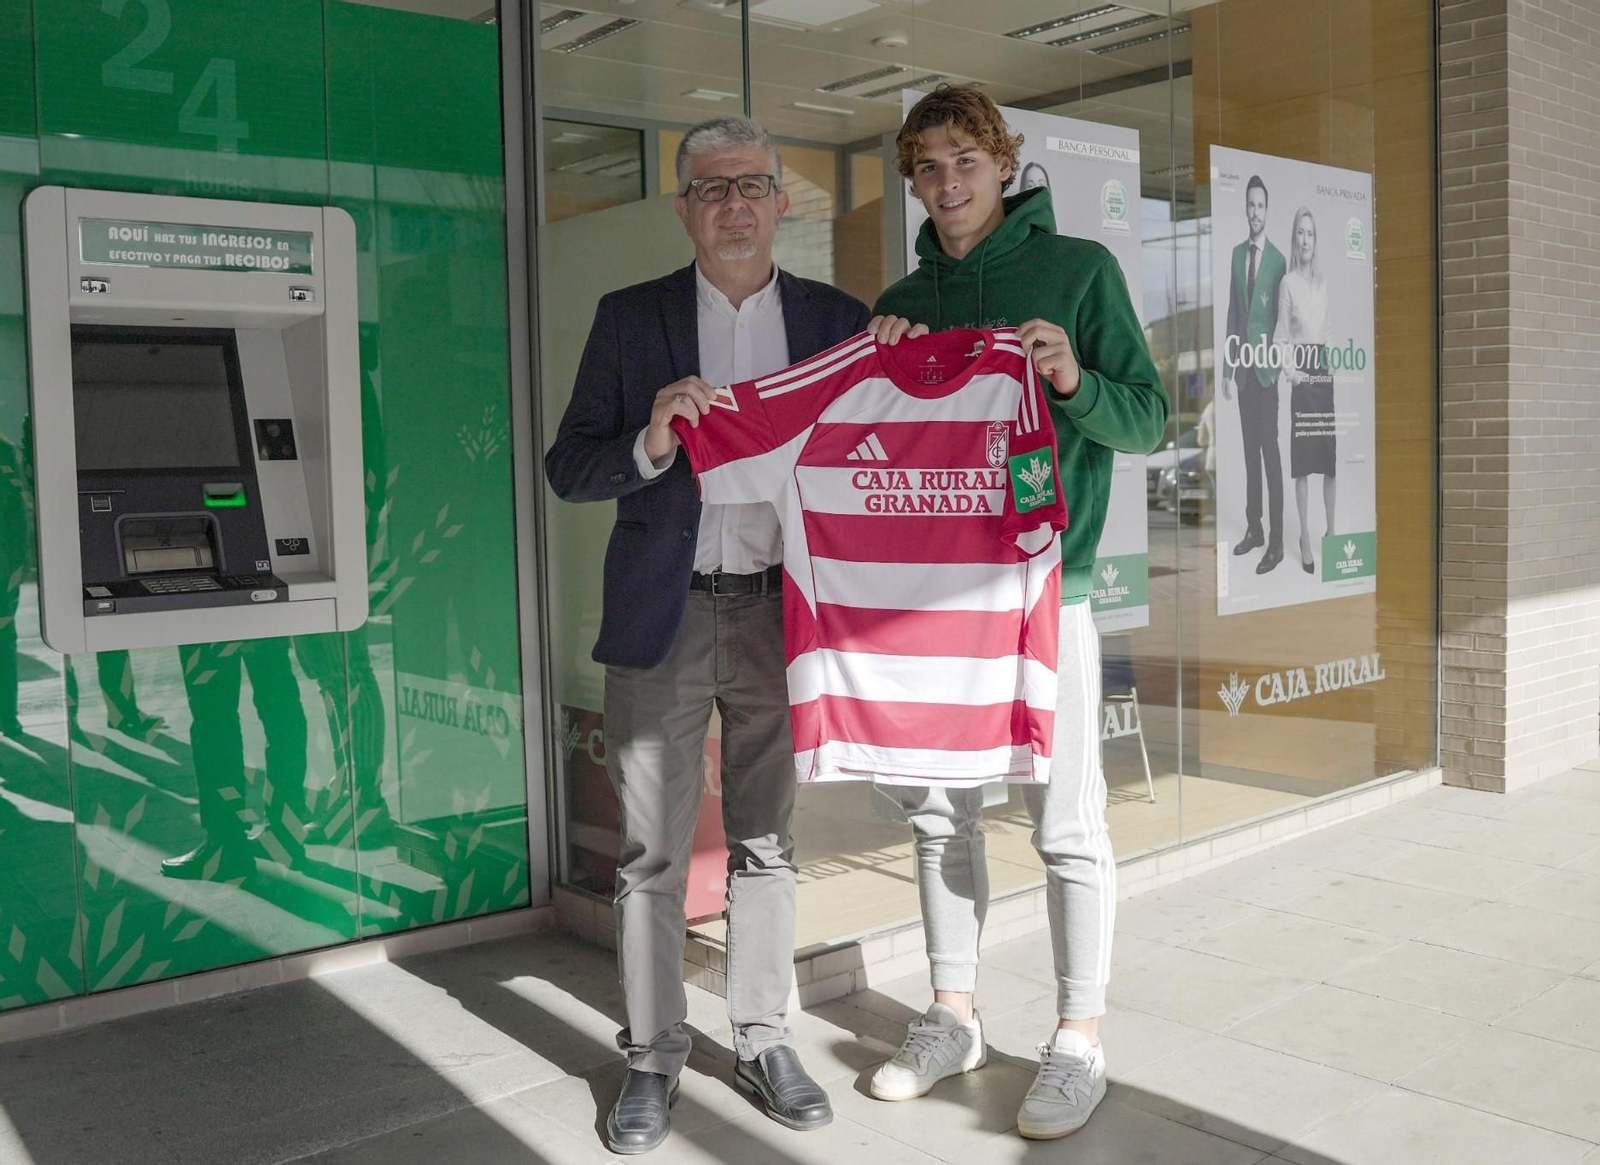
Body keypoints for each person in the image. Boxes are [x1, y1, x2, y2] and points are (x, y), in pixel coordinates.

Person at [544, 115, 870, 1155]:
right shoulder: (629, 317)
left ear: (781, 201)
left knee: (768, 841)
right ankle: (652, 1052)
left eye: (752, 185)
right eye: (713, 188)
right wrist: (648, 439)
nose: (734, 204)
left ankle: (765, 1036)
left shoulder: (838, 321)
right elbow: (568, 466)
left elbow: (882, 450)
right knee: (651, 853)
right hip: (667, 609)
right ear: (684, 207)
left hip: (785, 612)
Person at [866, 84, 1168, 1141]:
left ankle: (1078, 1036)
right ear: (913, 181)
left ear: (1005, 162)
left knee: (1066, 824)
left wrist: (1073, 377)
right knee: (937, 814)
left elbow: (1148, 417)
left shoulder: (1079, 271)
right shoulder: (900, 298)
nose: (947, 182)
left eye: (966, 159)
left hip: (1048, 588)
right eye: (927, 166)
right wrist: (882, 360)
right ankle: (952, 1016)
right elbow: (879, 448)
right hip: (931, 600)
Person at [1221, 175, 1287, 574]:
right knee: (1249, 454)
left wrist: (1276, 364)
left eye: (1260, 205)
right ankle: (1254, 528)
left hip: (1266, 374)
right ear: (1245, 208)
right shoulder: (1235, 255)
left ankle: (1277, 542)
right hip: (1244, 373)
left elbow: (1282, 319)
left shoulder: (1277, 261)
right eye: (1250, 204)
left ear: (1267, 210)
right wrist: (1227, 369)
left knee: (1270, 454)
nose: (1255, 212)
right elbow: (1234, 313)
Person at [1273, 206, 1335, 573]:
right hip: (1302, 373)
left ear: (1316, 239)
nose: (1305, 239)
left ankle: (1333, 532)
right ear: (1294, 237)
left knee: (1329, 461)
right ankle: (1305, 537)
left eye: (1310, 233)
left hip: (1323, 371)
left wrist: (1332, 365)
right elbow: (1280, 337)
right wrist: (1292, 372)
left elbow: (1326, 329)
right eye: (1301, 232)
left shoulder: (1323, 282)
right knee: (1303, 464)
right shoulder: (1288, 283)